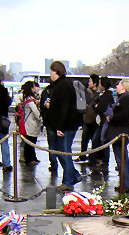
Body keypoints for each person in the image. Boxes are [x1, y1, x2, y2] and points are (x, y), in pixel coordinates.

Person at [46, 60, 82, 190]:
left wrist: (60, 127)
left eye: (51, 71)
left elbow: (64, 108)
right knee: (61, 151)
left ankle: (68, 182)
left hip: (67, 125)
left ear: (56, 72)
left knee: (63, 151)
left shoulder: (63, 86)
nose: (50, 74)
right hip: (67, 124)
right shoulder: (63, 84)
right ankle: (74, 174)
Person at [103, 78, 129, 194]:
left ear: (124, 87)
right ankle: (124, 182)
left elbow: (124, 115)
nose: (116, 86)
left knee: (121, 159)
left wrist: (112, 117)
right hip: (118, 131)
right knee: (121, 159)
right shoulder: (122, 98)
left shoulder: (125, 99)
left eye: (119, 85)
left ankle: (125, 184)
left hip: (120, 132)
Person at [90, 76, 115, 171]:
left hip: (105, 122)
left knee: (101, 141)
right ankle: (98, 159)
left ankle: (102, 161)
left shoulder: (106, 96)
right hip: (102, 121)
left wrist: (95, 106)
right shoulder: (103, 95)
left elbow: (99, 108)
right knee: (100, 140)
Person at [76, 74, 99, 163]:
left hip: (95, 122)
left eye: (90, 81)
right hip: (86, 120)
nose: (88, 83)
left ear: (95, 83)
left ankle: (94, 157)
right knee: (84, 140)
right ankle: (82, 156)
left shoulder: (99, 94)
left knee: (95, 141)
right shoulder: (86, 93)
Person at [21, 81, 42, 165]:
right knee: (30, 142)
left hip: (29, 123)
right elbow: (36, 113)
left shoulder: (27, 98)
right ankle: (29, 159)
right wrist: (41, 118)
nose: (35, 88)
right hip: (31, 123)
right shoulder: (30, 101)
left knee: (31, 142)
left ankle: (32, 157)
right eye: (33, 87)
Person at [39, 80, 57, 173]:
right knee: (61, 146)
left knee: (52, 144)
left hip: (49, 121)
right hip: (58, 121)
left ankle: (53, 164)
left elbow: (42, 106)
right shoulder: (59, 91)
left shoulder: (45, 92)